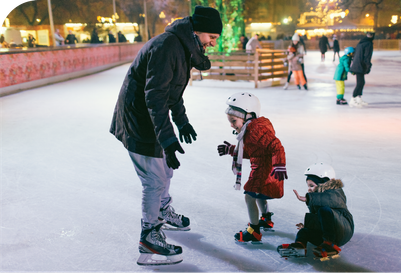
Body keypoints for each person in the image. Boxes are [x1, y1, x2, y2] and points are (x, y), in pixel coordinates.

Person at [109, 5, 222, 265]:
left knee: (165, 171)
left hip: (152, 117)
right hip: (139, 119)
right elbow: (155, 96)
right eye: (211, 37)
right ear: (196, 31)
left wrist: (181, 123)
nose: (212, 44)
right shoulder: (168, 47)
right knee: (154, 179)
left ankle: (161, 210)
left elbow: (172, 92)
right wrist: (168, 139)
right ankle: (149, 237)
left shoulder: (182, 47)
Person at [217, 92, 288, 243]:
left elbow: (277, 146)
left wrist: (279, 165)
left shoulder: (256, 130)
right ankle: (266, 219)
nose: (231, 125)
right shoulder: (252, 129)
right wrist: (231, 150)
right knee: (258, 194)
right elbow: (251, 151)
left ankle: (254, 230)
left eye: (233, 120)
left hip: (265, 170)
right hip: (262, 168)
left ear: (248, 115)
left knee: (250, 196)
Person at [277, 163, 354, 259]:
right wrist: (308, 227)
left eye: (312, 185)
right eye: (308, 186)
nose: (309, 189)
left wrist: (308, 199)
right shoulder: (317, 198)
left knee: (324, 210)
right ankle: (300, 246)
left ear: (323, 184)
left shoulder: (336, 193)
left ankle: (329, 244)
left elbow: (327, 200)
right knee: (304, 231)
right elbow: (321, 220)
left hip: (343, 231)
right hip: (326, 235)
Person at [349, 32, 374, 108]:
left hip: (357, 64)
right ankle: (353, 99)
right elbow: (367, 56)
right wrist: (368, 66)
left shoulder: (361, 42)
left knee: (362, 82)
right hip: (360, 65)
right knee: (360, 83)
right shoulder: (368, 44)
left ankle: (359, 98)